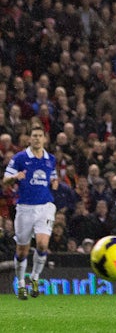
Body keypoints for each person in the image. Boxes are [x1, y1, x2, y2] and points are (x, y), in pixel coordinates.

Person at [3, 121, 58, 300]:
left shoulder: (51, 159)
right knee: (22, 251)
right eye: (33, 136)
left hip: (45, 207)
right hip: (25, 208)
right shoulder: (19, 158)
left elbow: (53, 176)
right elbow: (5, 180)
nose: (36, 138)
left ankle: (34, 278)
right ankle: (20, 284)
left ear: (44, 139)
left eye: (39, 136)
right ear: (29, 139)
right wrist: (15, 177)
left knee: (42, 244)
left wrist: (55, 183)